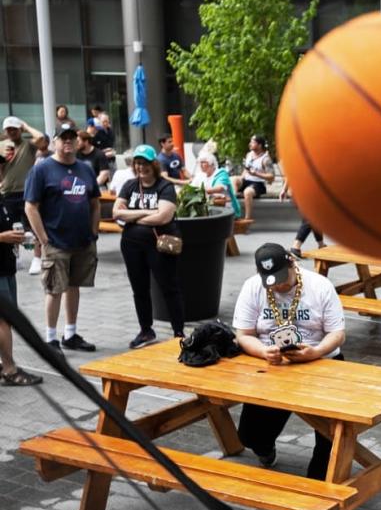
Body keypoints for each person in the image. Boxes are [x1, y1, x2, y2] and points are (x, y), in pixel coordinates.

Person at [233, 243, 345, 476]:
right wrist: (263, 351)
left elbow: (337, 333)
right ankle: (265, 447)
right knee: (249, 436)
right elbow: (243, 335)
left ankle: (319, 480)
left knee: (329, 435)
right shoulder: (253, 287)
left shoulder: (320, 286)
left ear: (293, 263)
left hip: (320, 360)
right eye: (271, 281)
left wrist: (316, 352)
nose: (279, 285)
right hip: (273, 365)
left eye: (282, 278)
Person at [23, 122, 100, 354]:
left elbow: (95, 203)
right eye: (62, 138)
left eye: (71, 138)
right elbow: (30, 207)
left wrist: (94, 232)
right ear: (54, 142)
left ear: (77, 141)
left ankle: (70, 333)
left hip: (82, 241)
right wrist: (44, 238)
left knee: (74, 286)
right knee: (54, 289)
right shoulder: (42, 169)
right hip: (55, 241)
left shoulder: (85, 169)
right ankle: (50, 338)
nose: (67, 141)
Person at [112, 145, 184, 349]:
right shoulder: (129, 185)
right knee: (139, 289)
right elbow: (116, 213)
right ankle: (146, 331)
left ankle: (178, 332)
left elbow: (164, 216)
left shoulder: (165, 186)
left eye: (145, 163)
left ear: (154, 164)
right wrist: (148, 212)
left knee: (169, 287)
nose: (141, 167)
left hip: (159, 245)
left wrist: (132, 217)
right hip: (131, 246)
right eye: (138, 163)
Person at [0, 206, 41, 386]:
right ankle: (9, 370)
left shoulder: (3, 201)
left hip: (7, 267)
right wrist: (2, 237)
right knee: (3, 321)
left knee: (7, 321)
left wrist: (18, 238)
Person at [0, 116, 44, 275]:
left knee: (32, 227)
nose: (11, 132)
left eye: (14, 128)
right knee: (11, 227)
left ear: (19, 129)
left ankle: (37, 258)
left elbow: (41, 139)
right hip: (7, 192)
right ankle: (14, 256)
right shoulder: (2, 146)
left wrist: (26, 126)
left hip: (27, 191)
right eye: (8, 129)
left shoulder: (28, 145)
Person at [231, 135, 275, 220]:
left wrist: (256, 174)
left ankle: (247, 219)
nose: (250, 144)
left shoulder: (265, 159)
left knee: (247, 192)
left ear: (259, 145)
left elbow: (271, 177)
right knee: (233, 179)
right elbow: (246, 169)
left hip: (258, 184)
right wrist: (240, 179)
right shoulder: (249, 155)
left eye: (252, 142)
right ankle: (235, 209)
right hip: (246, 180)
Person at [281, 180, 323, 258]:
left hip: (305, 191)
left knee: (314, 218)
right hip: (303, 191)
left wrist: (284, 189)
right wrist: (284, 189)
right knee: (310, 218)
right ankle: (295, 247)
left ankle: (321, 244)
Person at [192, 151, 241, 217]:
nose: (200, 165)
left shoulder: (221, 173)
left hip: (227, 210)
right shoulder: (200, 175)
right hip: (209, 208)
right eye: (200, 162)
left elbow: (220, 188)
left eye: (203, 162)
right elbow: (191, 187)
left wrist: (201, 190)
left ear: (211, 164)